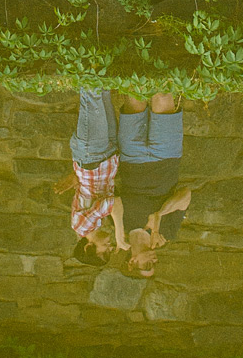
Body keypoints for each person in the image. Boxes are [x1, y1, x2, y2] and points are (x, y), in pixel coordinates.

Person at [112, 91, 192, 277]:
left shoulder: (120, 231)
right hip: (166, 156)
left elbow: (115, 201)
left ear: (132, 262)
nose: (154, 260)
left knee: (133, 100)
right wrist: (159, 216)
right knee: (163, 97)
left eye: (147, 265)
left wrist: (119, 232)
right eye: (155, 264)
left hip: (131, 158)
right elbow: (186, 195)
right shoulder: (167, 233)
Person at [55, 87, 120, 264]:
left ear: (88, 247)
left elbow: (110, 202)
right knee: (104, 92)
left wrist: (120, 234)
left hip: (92, 153)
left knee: (91, 94)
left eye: (104, 251)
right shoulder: (95, 224)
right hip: (105, 155)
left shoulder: (82, 227)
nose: (110, 247)